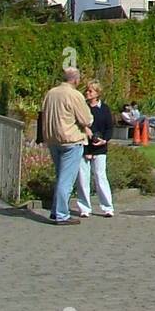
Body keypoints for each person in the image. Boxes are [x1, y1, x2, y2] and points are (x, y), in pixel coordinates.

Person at [38, 67, 94, 225]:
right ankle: (62, 214)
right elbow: (86, 119)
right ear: (76, 79)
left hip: (53, 139)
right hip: (70, 139)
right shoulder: (74, 95)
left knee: (60, 176)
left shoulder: (51, 93)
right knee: (66, 180)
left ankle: (56, 210)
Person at [75, 80, 115, 217]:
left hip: (100, 147)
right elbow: (78, 125)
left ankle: (107, 207)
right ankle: (85, 208)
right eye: (87, 90)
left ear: (97, 93)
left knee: (100, 176)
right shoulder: (82, 108)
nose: (87, 93)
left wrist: (104, 140)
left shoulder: (104, 109)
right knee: (83, 178)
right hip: (84, 146)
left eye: (90, 91)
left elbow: (109, 128)